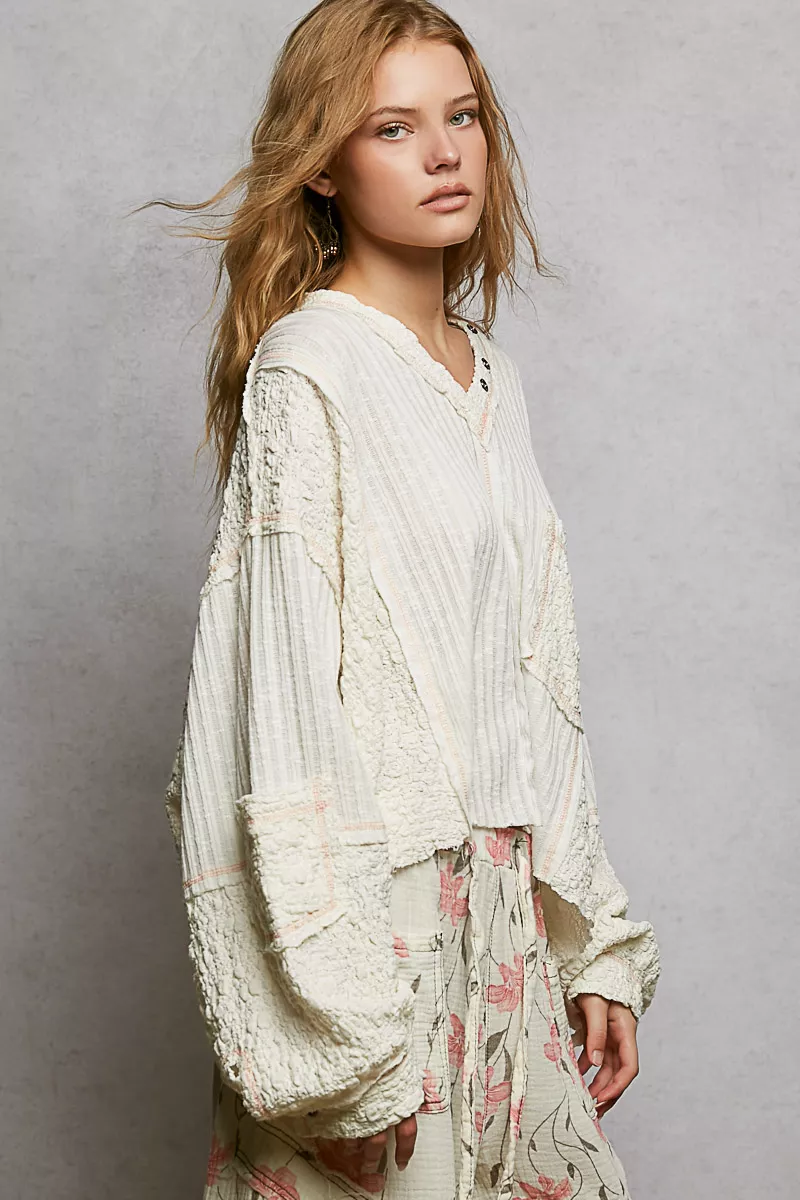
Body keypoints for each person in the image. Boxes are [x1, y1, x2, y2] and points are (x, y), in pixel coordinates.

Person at [153, 2, 661, 1196]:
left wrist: (588, 939)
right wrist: (334, 1049)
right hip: (366, 940)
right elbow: (269, 714)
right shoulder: (309, 370)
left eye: (461, 117)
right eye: (393, 128)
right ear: (323, 165)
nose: (443, 154)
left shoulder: (491, 380)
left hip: (502, 923)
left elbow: (533, 676)